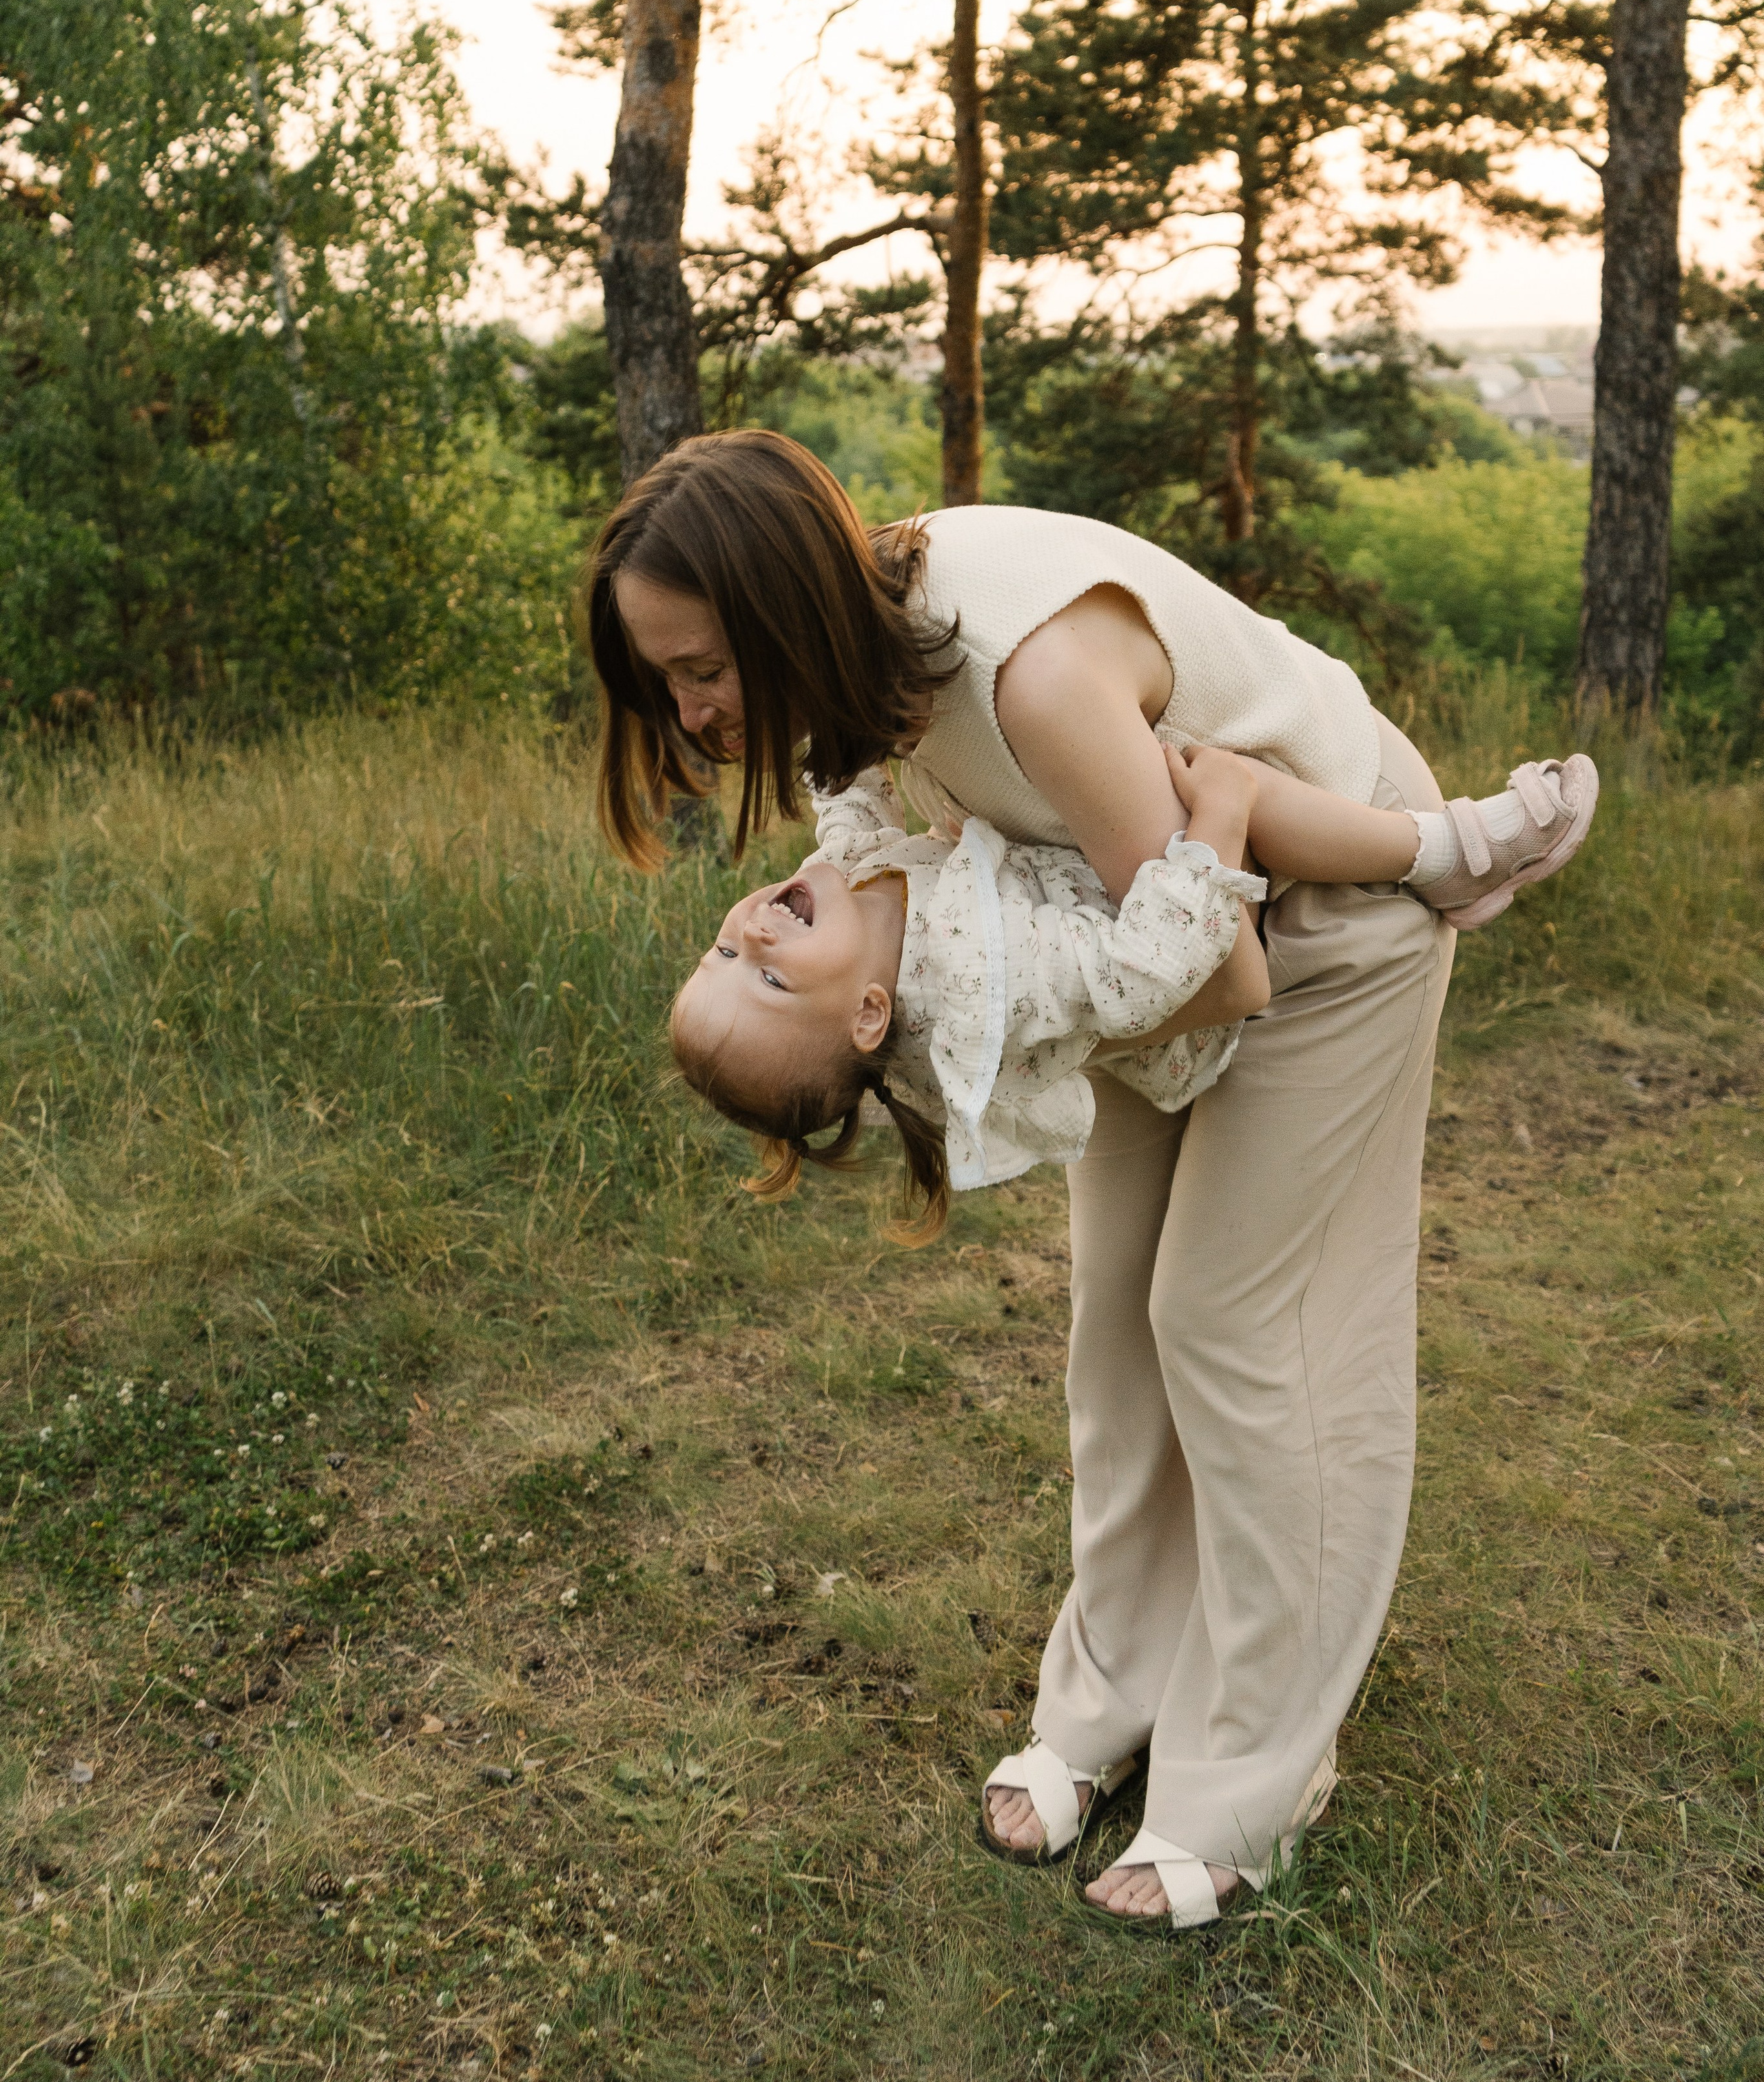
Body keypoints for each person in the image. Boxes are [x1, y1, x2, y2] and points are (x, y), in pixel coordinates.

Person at [586, 429, 1599, 1929]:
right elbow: (969, 874)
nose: (690, 713)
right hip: (1126, 930)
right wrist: (975, 990)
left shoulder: (1029, 675)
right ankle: (1111, 1690)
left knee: (1232, 1324)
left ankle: (1252, 1769)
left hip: (1310, 926)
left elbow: (1228, 975)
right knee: (1116, 1330)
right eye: (660, 679)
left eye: (703, 668)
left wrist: (1006, 1012)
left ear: (782, 611)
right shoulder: (858, 681)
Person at [670, 741, 1595, 1236]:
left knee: (1164, 773)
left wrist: (819, 700)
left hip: (1102, 885)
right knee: (1233, 787)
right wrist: (1220, 819)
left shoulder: (852, 900)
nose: (750, 932)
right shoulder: (971, 983)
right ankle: (1456, 852)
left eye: (721, 951)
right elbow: (1145, 974)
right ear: (872, 1015)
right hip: (1171, 954)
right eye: (771, 978)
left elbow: (846, 799)